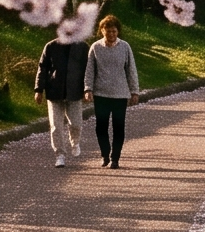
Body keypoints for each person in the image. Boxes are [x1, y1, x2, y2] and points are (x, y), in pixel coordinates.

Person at [85, 14, 139, 168]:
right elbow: (90, 70)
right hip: (101, 94)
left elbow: (131, 70)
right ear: (102, 31)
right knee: (101, 127)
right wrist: (88, 89)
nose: (111, 34)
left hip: (120, 94)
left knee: (118, 127)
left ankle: (115, 158)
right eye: (108, 31)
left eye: (114, 31)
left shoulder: (125, 47)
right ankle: (105, 154)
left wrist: (134, 91)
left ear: (118, 31)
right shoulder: (95, 47)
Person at [32, 30, 91, 168]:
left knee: (76, 123)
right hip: (54, 92)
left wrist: (87, 89)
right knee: (56, 126)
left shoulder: (82, 47)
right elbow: (42, 68)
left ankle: (75, 142)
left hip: (75, 92)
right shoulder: (51, 46)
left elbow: (88, 70)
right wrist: (38, 89)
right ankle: (60, 155)